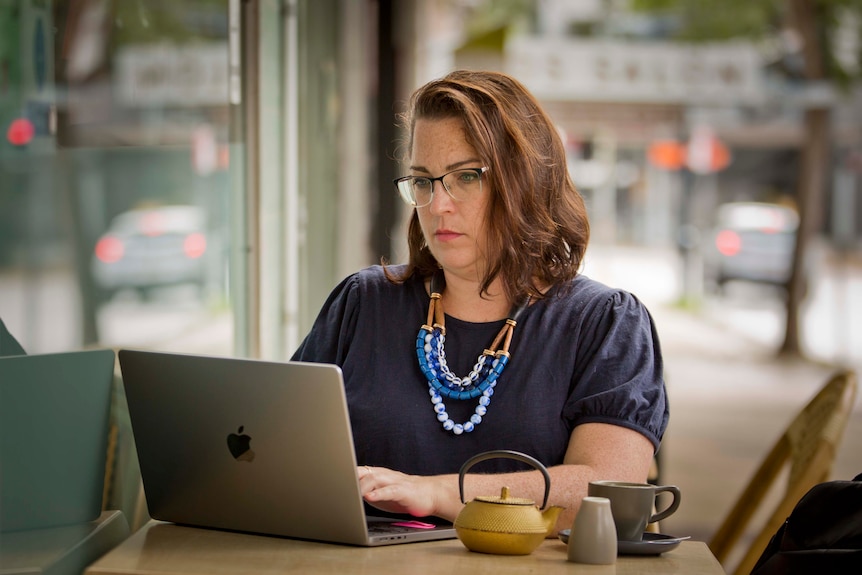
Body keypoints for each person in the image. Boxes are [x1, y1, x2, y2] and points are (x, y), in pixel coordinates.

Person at [291, 69, 668, 532]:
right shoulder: (363, 302)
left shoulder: (605, 324)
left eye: (466, 176)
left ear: (526, 180)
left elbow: (607, 490)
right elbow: (281, 450)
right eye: (424, 180)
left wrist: (436, 492)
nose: (437, 205)